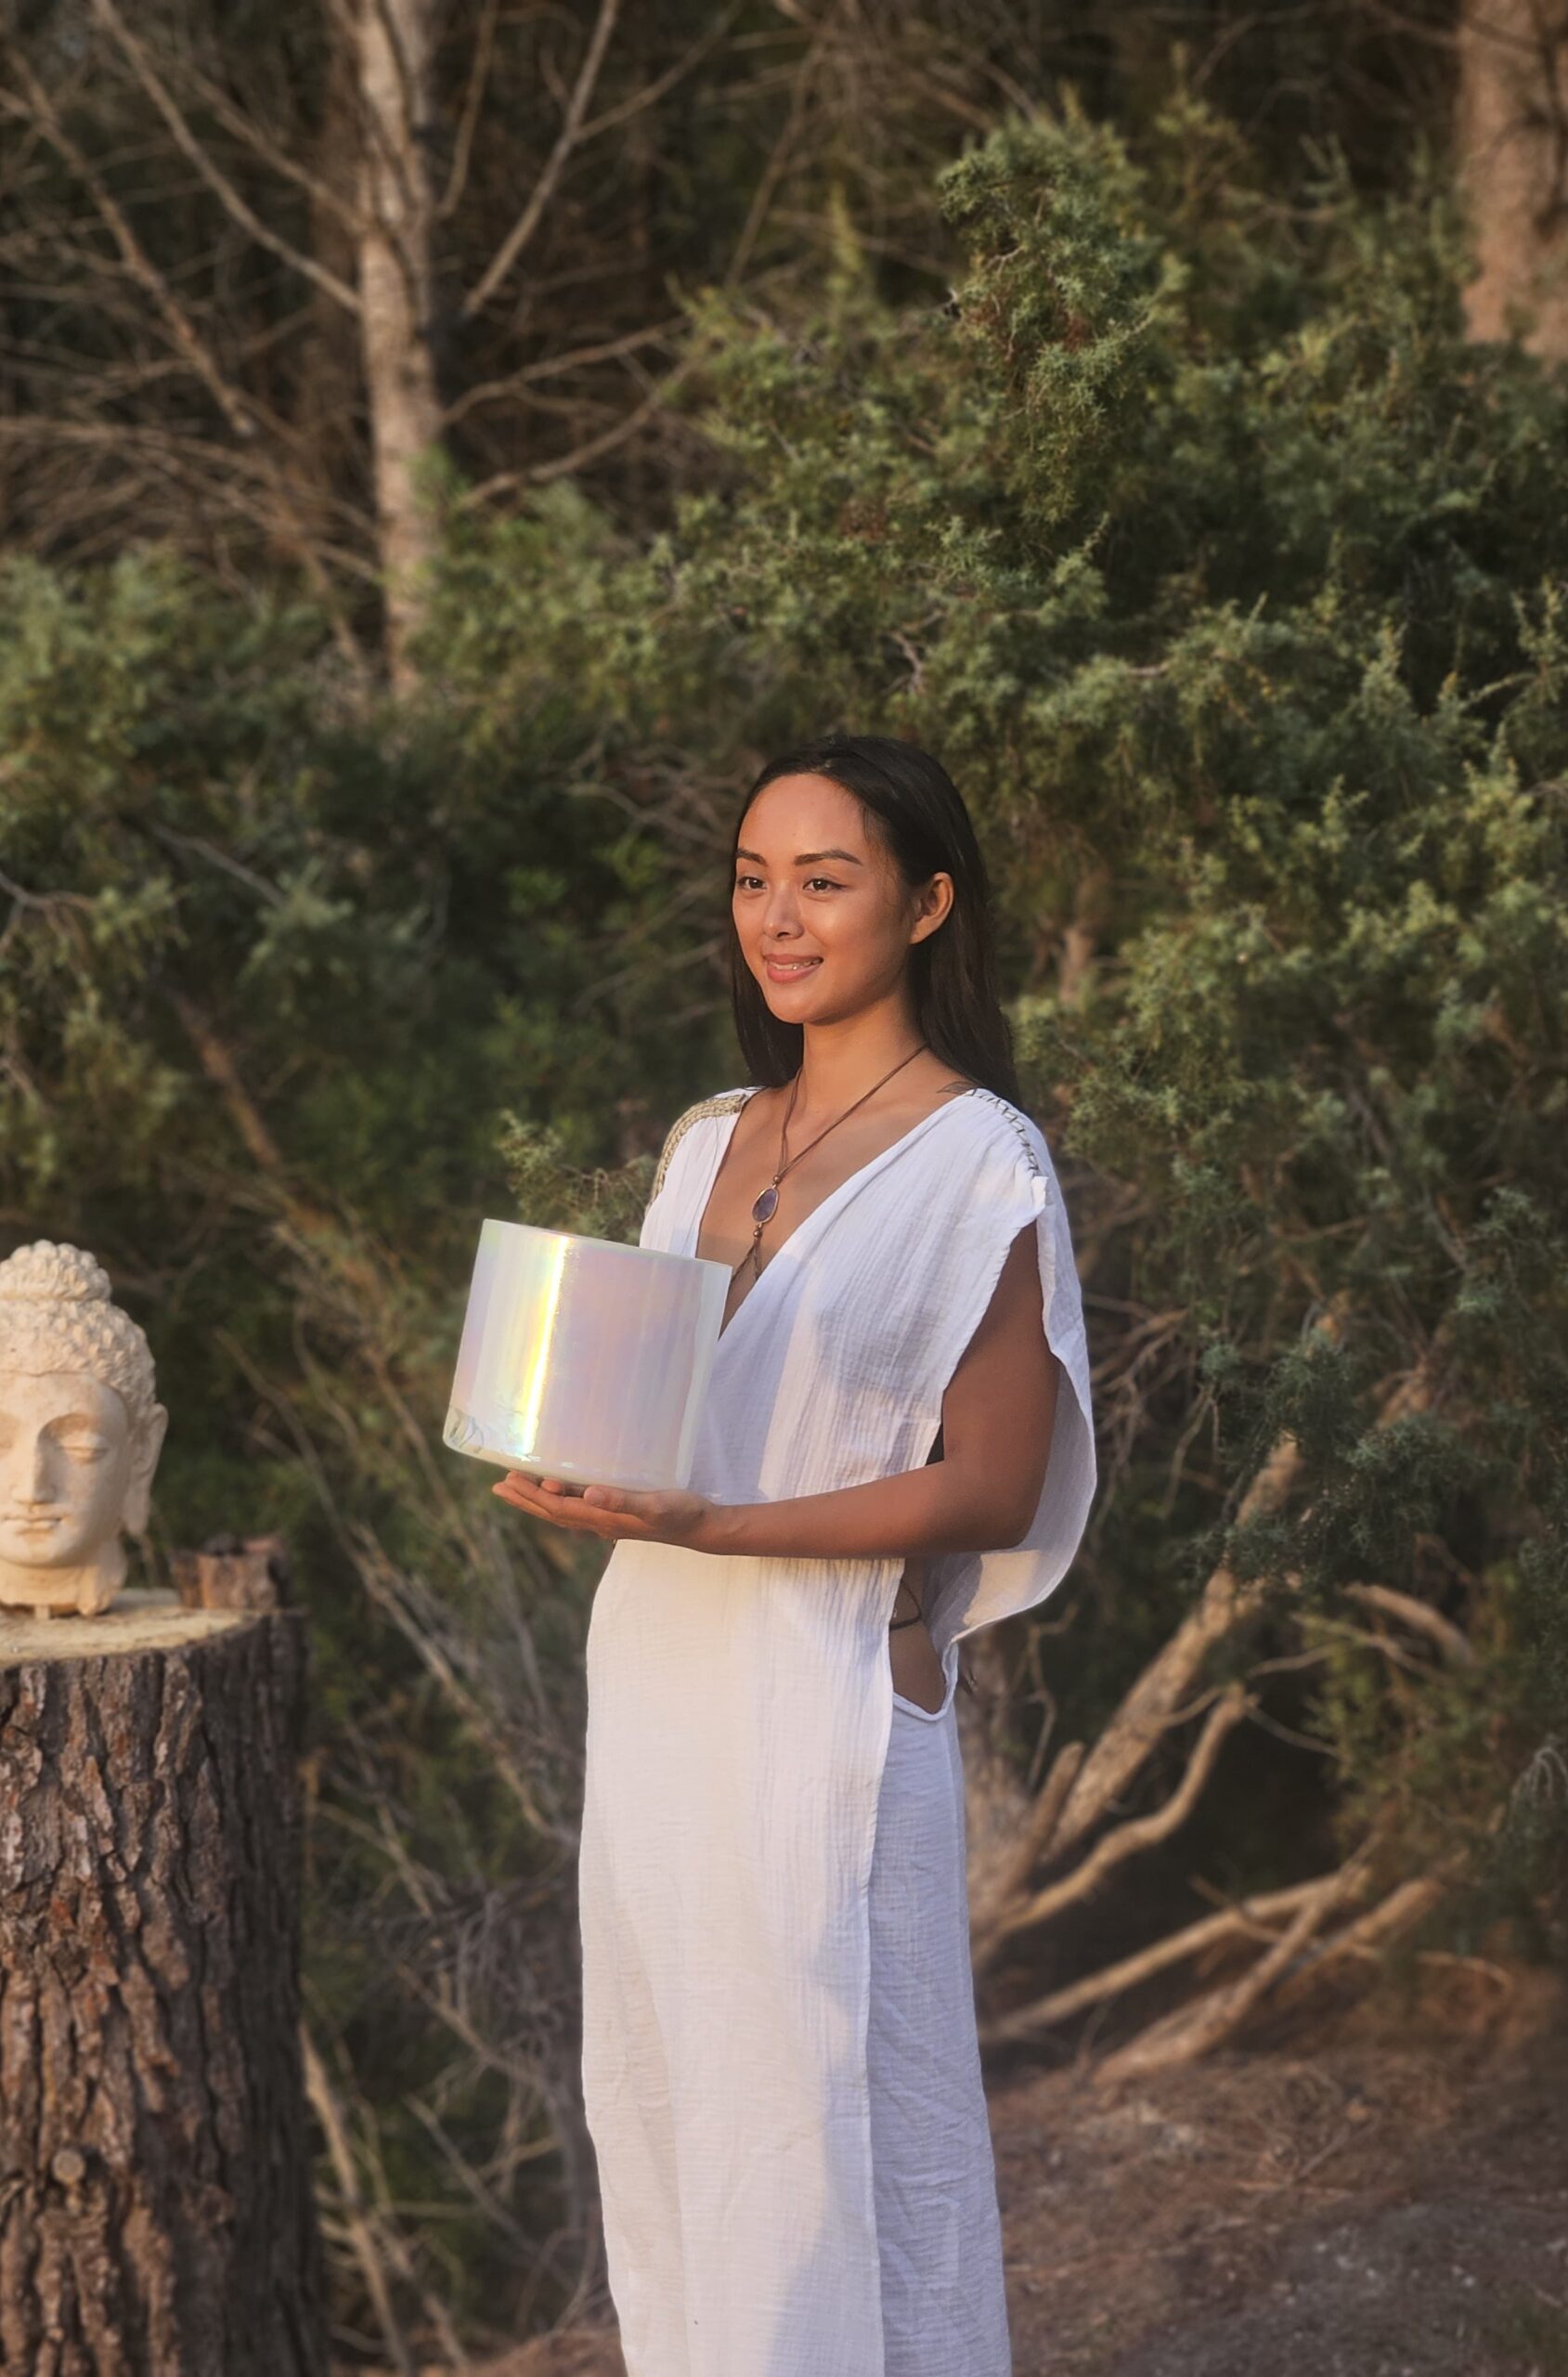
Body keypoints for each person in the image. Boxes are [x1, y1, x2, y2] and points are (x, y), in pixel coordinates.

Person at [492, 734, 1097, 2377]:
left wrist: (724, 1526)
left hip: (828, 1695)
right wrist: (572, 1443)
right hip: (661, 1673)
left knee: (846, 2139)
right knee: (675, 2109)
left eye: (825, 881)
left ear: (927, 904)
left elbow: (995, 1486)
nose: (778, 917)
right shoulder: (707, 1137)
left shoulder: (980, 1161)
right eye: (754, 879)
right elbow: (677, 1421)